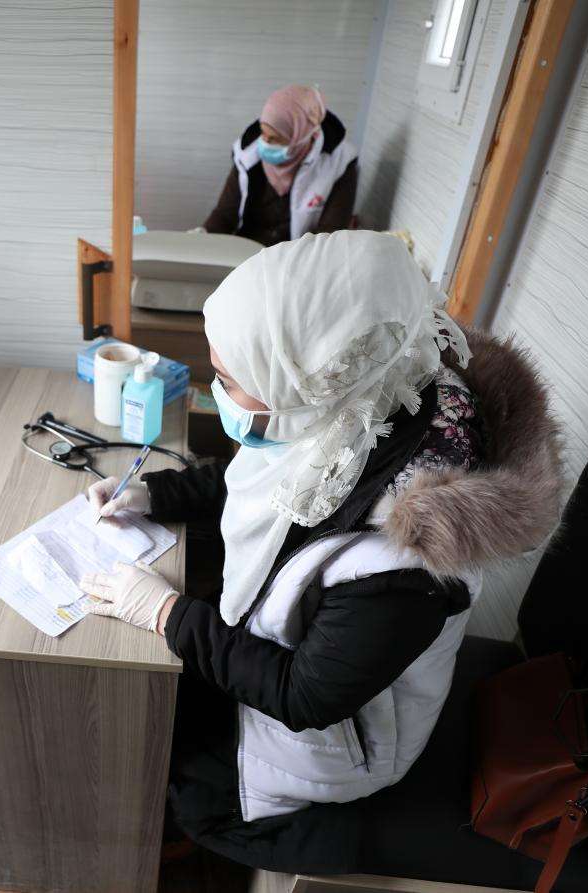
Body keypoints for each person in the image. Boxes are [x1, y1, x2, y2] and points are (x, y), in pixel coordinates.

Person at [79, 230, 563, 874]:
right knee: (158, 694)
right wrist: (151, 496)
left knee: (177, 770)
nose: (215, 389)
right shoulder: (358, 408)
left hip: (343, 737)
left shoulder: (406, 563)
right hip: (300, 658)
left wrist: (168, 614)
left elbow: (306, 699)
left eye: (227, 378)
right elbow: (267, 478)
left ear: (310, 380)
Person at [202, 85, 358, 247]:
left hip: (298, 256)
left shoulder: (339, 164)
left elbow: (329, 234)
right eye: (263, 133)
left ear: (300, 136)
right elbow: (225, 214)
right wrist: (201, 240)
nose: (265, 143)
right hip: (246, 251)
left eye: (275, 138)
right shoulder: (247, 155)